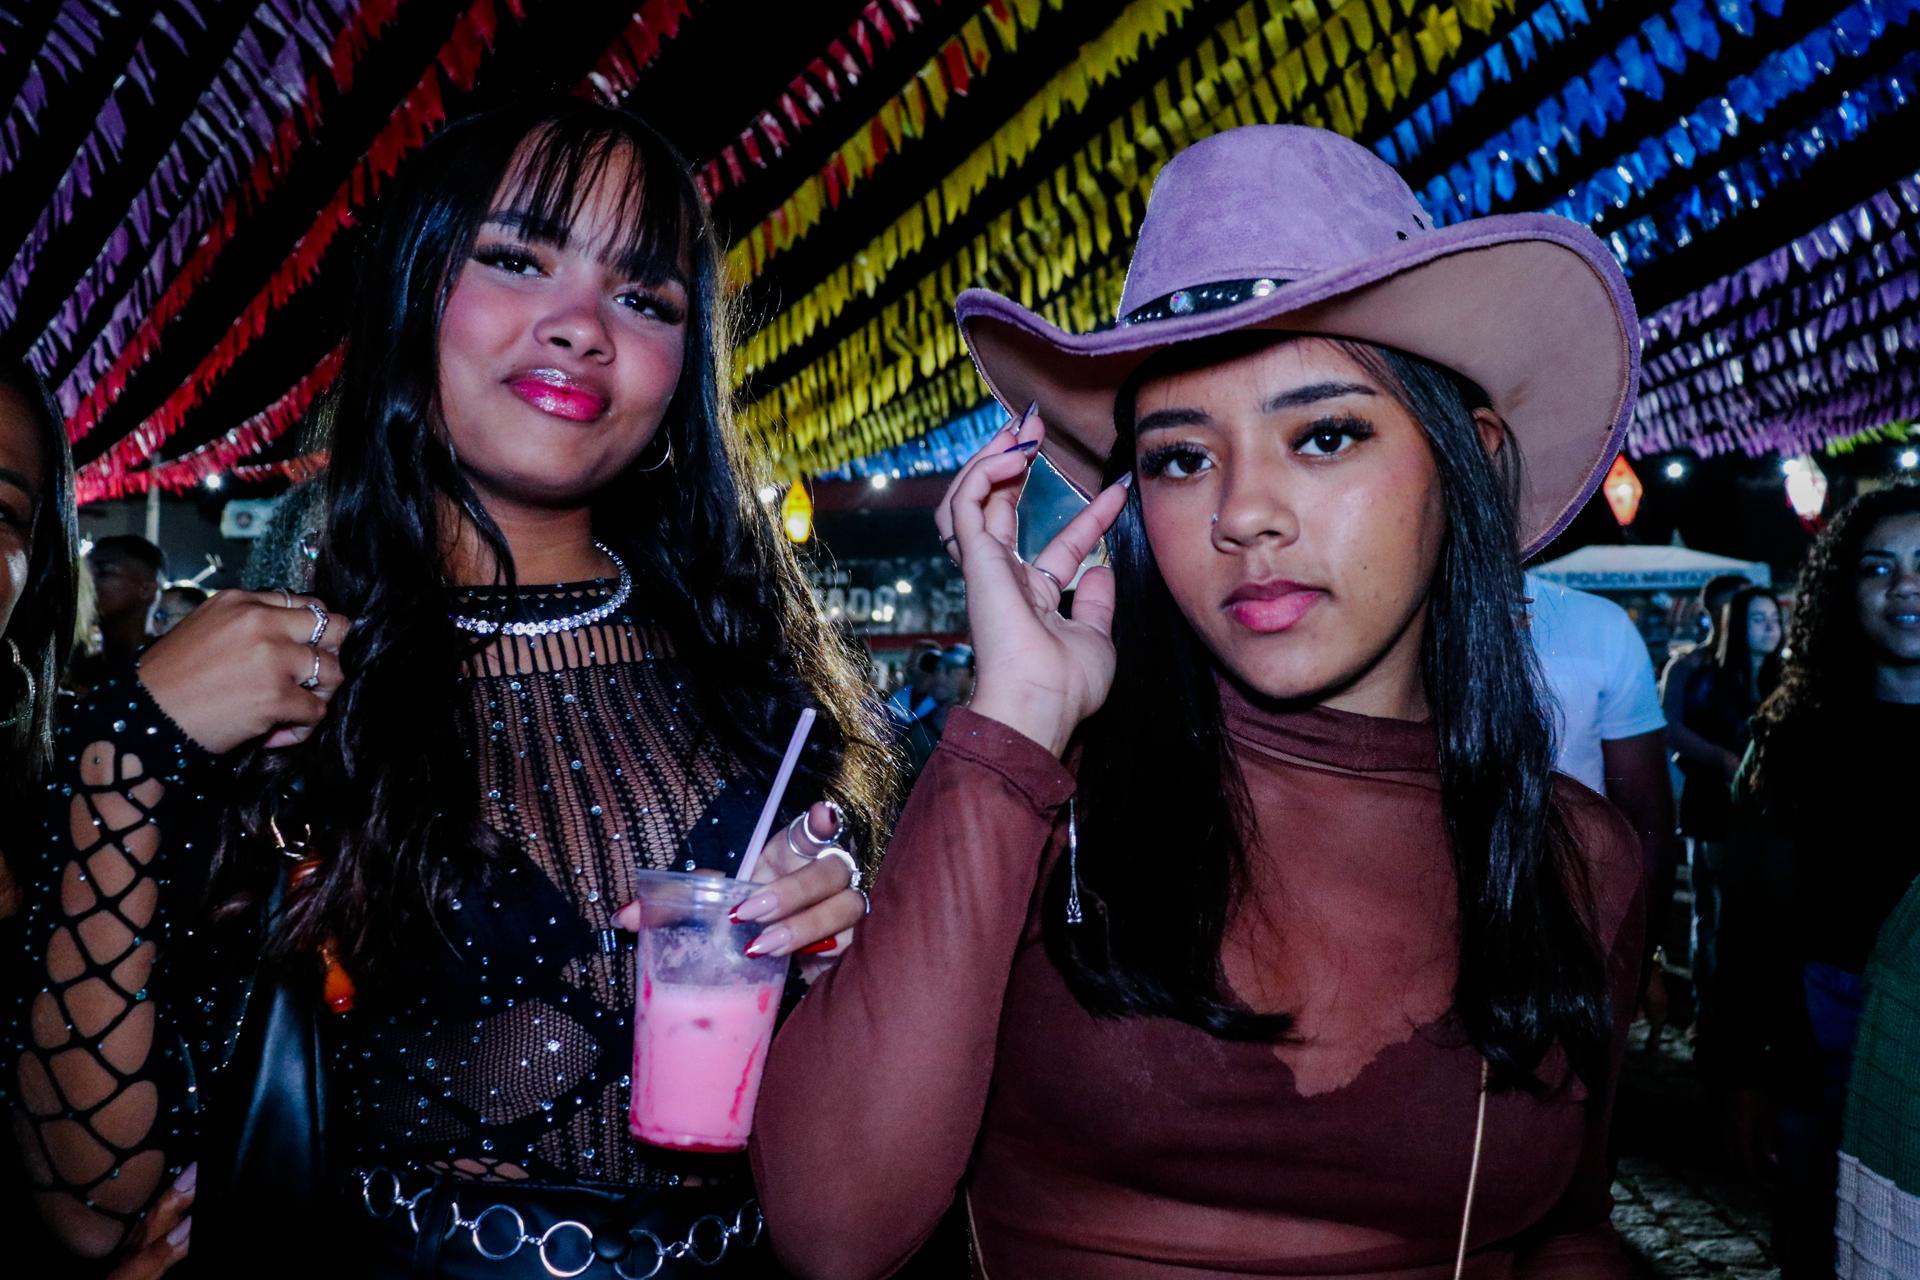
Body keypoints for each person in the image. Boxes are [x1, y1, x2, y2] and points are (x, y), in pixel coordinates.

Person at [5, 98, 889, 1278]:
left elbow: (864, 1172)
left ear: (685, 371)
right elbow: (93, 1208)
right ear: (414, 293)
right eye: (519, 259)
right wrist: (126, 750)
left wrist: (841, 972)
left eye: (645, 297)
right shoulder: (277, 681)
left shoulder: (759, 681)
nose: (581, 326)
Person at [753, 125, 1646, 1278]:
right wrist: (1012, 721)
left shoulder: (1583, 862)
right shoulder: (1039, 807)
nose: (1244, 512)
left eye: (1325, 434)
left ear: (1464, 460)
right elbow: (833, 1228)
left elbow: (1571, 1227)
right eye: (1181, 457)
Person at [1718, 484, 1920, 1278]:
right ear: (1845, 589)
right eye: (1879, 568)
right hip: (1823, 1040)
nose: (1905, 587)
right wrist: (1743, 1071)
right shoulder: (1790, 741)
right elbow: (1745, 922)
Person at [1524, 571, 1677, 1043]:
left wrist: (1638, 955)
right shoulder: (1386, 618)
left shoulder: (1598, 626)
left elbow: (1646, 818)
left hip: (1568, 940)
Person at [1669, 584, 1782, 1060]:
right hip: (1713, 811)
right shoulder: (1698, 673)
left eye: (1774, 618)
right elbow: (1672, 728)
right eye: (1756, 618)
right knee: (1713, 913)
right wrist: (1722, 759)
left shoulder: (1788, 676)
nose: (1769, 627)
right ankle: (1709, 1017)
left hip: (1769, 818)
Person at [84, 534, 165, 663]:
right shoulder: (83, 668)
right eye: (85, 573)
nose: (87, 583)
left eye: (102, 572)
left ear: (146, 589)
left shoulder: (170, 662)